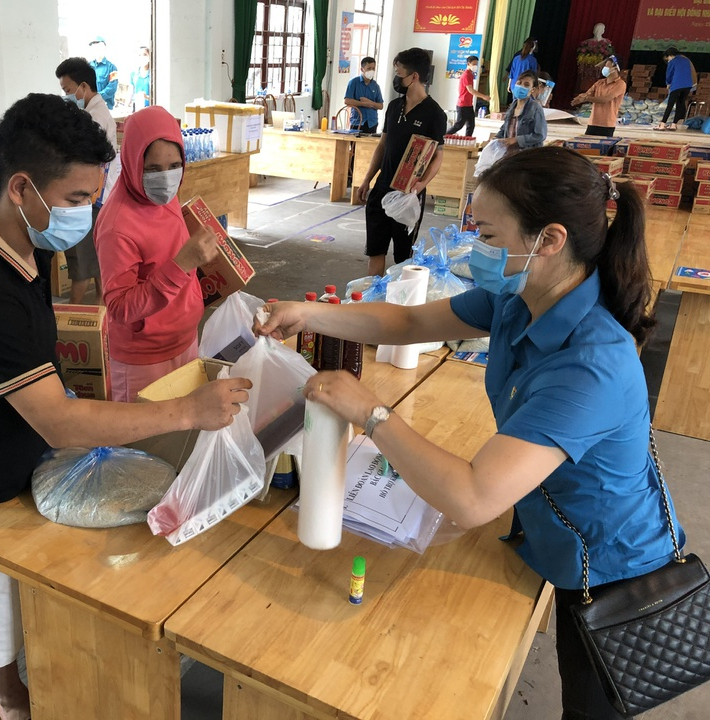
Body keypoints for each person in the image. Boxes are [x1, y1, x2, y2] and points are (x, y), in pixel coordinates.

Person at [256, 146, 685, 720]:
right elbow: (409, 319)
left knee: (593, 701)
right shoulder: (520, 295)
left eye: (484, 231)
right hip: (548, 525)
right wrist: (308, 313)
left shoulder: (592, 364)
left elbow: (474, 495)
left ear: (549, 240)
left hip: (610, 566)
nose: (472, 245)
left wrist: (374, 413)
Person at [0, 94, 250, 720]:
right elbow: (60, 418)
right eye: (77, 200)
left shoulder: (25, 245)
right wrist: (189, 411)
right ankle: (11, 702)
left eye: (94, 198)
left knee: (52, 605)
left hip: (37, 465)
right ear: (22, 188)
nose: (89, 213)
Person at [94, 106, 220, 402]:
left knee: (183, 441)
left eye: (174, 166)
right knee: (145, 447)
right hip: (144, 360)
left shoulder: (165, 198)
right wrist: (182, 264)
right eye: (152, 170)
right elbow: (120, 308)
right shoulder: (117, 226)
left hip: (185, 341)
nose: (165, 179)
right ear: (132, 161)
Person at [357, 48, 447, 276]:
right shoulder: (394, 107)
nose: (396, 78)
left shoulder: (434, 114)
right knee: (375, 251)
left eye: (399, 73)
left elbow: (437, 155)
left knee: (402, 258)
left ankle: (396, 306)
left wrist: (421, 184)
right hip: (382, 188)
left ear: (414, 77)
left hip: (408, 194)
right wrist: (367, 179)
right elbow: (382, 145)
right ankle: (372, 302)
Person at [55, 57, 122, 304]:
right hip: (98, 197)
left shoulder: (95, 118)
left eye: (68, 90)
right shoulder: (92, 113)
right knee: (97, 261)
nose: (67, 95)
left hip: (93, 198)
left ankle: (77, 316)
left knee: (83, 260)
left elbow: (83, 158)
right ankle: (103, 318)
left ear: (83, 86)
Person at [572, 55, 626, 137]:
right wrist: (580, 98)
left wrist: (586, 98)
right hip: (593, 122)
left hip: (607, 124)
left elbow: (604, 100)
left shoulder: (620, 84)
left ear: (615, 68)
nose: (604, 68)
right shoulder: (599, 83)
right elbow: (588, 93)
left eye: (606, 65)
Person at [495, 71, 547, 154]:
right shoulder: (512, 106)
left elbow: (540, 135)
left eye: (526, 85)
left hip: (527, 155)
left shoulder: (535, 108)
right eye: (519, 83)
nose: (521, 86)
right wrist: (495, 139)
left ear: (532, 89)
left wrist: (516, 140)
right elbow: (504, 129)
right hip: (508, 154)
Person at [447, 55, 489, 137]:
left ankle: (468, 140)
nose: (475, 66)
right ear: (468, 64)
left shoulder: (470, 74)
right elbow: (470, 90)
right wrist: (483, 96)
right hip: (462, 104)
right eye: (473, 64)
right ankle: (443, 136)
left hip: (469, 104)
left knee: (471, 125)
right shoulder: (466, 75)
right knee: (459, 125)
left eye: (476, 64)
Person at [657, 47, 697, 131]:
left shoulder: (673, 61)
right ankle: (674, 124)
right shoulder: (686, 60)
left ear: (670, 55)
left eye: (667, 58)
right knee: (680, 103)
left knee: (670, 104)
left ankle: (662, 124)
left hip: (677, 85)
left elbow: (669, 74)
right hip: (688, 85)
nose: (668, 60)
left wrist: (668, 83)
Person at [344, 57, 384, 134]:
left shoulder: (375, 86)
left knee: (368, 145)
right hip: (357, 121)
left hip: (372, 123)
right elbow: (347, 101)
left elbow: (381, 106)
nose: (371, 71)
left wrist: (371, 103)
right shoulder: (353, 83)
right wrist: (363, 104)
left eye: (373, 68)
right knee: (354, 146)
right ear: (362, 69)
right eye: (369, 68)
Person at [89, 37, 119, 109]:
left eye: (98, 46)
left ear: (104, 47)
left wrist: (96, 97)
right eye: (93, 47)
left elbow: (112, 88)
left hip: (105, 108)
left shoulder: (112, 68)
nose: (95, 49)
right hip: (91, 107)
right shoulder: (88, 66)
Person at [506, 39, 538, 105]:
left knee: (514, 104)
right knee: (524, 105)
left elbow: (512, 72)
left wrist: (509, 85)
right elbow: (534, 75)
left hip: (514, 84)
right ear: (532, 48)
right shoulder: (533, 60)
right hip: (525, 86)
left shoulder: (516, 58)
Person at [129, 46, 152, 110]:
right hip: (137, 108)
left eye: (145, 54)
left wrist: (147, 97)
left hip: (149, 108)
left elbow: (157, 97)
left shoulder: (152, 74)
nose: (142, 57)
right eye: (139, 55)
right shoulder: (134, 74)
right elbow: (130, 93)